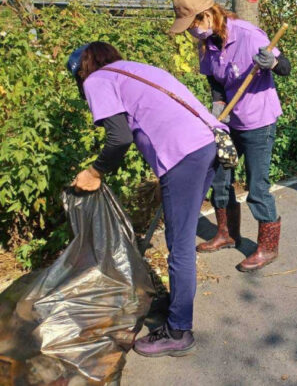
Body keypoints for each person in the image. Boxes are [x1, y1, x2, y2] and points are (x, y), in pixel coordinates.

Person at [67, 41, 225, 357]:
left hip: (185, 154)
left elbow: (119, 138)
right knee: (180, 231)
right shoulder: (134, 69)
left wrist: (95, 172)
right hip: (211, 142)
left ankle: (178, 331)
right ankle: (178, 301)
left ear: (82, 72)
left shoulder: (97, 79)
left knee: (179, 243)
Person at [169, 0, 291, 272]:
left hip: (259, 120)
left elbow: (285, 67)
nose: (192, 33)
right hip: (227, 120)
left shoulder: (248, 35)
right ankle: (227, 234)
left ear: (207, 14)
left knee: (257, 185)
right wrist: (217, 103)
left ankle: (267, 247)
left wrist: (271, 63)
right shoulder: (207, 44)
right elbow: (214, 79)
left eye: (193, 25)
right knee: (221, 178)